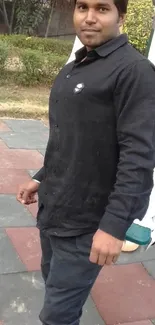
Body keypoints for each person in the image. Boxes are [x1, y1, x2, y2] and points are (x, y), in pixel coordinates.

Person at [17, 0, 155, 324]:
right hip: (55, 209)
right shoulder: (74, 67)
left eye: (102, 9)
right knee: (55, 287)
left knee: (56, 315)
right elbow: (72, 139)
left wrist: (114, 225)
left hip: (88, 223)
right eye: (82, 7)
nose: (89, 18)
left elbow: (140, 155)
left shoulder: (134, 71)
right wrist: (40, 178)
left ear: (121, 16)